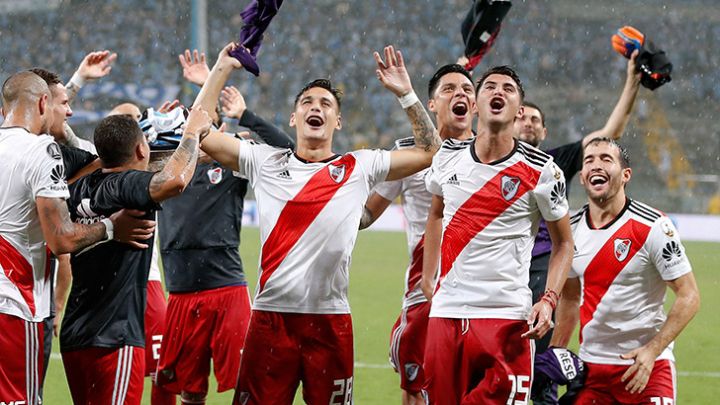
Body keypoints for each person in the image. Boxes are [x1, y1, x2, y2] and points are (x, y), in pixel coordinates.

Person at [194, 43, 440, 405]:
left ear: (337, 122)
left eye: (326, 104)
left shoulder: (361, 166)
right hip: (269, 320)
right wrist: (221, 68)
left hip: (330, 323)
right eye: (307, 102)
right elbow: (197, 130)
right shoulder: (264, 161)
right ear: (293, 118)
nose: (316, 107)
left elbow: (430, 150)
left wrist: (405, 93)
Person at [420, 65, 574, 404]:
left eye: (508, 88)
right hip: (447, 313)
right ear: (476, 102)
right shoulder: (447, 157)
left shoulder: (542, 170)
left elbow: (564, 243)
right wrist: (427, 275)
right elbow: (435, 211)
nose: (498, 92)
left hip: (506, 317)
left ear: (518, 110)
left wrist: (548, 300)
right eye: (489, 86)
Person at [0, 70, 153, 405]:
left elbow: (93, 161)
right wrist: (113, 228)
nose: (68, 111)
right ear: (43, 102)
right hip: (14, 305)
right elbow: (61, 240)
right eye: (62, 104)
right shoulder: (41, 152)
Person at [153, 49, 294, 405]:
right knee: (190, 391)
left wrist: (244, 115)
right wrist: (155, 129)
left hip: (226, 287)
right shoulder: (163, 167)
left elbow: (287, 151)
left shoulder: (231, 161)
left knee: (247, 384)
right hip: (181, 291)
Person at [59, 108, 212, 405]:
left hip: (76, 332)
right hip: (115, 335)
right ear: (142, 148)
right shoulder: (128, 185)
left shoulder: (76, 188)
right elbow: (174, 180)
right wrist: (191, 132)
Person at [549, 137, 700, 404]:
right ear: (582, 177)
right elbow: (570, 298)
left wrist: (653, 351)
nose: (596, 165)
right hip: (592, 369)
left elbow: (689, 296)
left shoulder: (654, 226)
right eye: (589, 160)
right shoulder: (569, 231)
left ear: (625, 174)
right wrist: (556, 352)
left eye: (606, 159)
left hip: (646, 368)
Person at [358, 63, 475, 405]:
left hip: (481, 292)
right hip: (425, 292)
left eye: (468, 90)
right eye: (450, 89)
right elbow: (367, 215)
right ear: (433, 104)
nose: (461, 94)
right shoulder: (407, 153)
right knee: (416, 390)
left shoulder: (492, 155)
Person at [517, 51, 642, 356]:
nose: (529, 123)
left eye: (536, 120)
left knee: (539, 360)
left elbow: (610, 135)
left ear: (544, 132)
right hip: (502, 264)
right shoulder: (487, 161)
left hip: (544, 266)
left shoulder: (553, 161)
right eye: (522, 116)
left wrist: (632, 83)